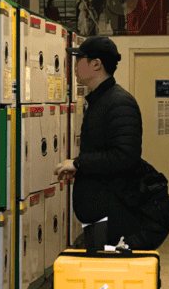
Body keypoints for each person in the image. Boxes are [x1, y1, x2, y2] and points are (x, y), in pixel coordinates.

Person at [55, 36, 156, 250]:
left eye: (79, 59)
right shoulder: (100, 100)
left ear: (96, 64)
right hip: (99, 212)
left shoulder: (119, 103)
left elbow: (125, 156)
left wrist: (79, 164)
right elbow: (105, 152)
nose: (74, 66)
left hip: (112, 215)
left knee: (107, 276)